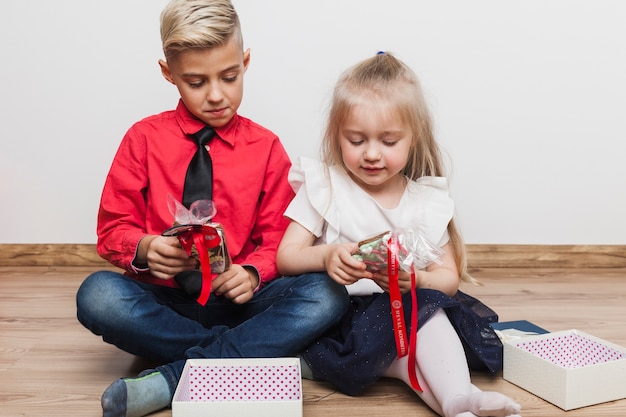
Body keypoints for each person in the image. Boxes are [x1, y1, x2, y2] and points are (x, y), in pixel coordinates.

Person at [75, 1, 348, 416]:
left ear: (246, 61)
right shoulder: (142, 139)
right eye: (196, 82)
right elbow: (112, 230)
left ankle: (175, 377)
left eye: (230, 76)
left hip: (243, 301)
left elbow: (280, 236)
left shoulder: (267, 147)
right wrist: (147, 248)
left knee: (328, 292)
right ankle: (251, 352)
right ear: (169, 74)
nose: (217, 95)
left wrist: (253, 272)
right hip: (166, 300)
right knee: (97, 295)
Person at [277, 52, 522, 417]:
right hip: (343, 320)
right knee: (407, 358)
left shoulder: (425, 202)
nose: (372, 154)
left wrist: (418, 279)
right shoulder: (325, 187)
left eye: (388, 141)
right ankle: (459, 396)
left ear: (413, 138)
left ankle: (457, 402)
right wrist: (326, 256)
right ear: (336, 134)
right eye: (356, 140)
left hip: (406, 313)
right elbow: (286, 258)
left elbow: (448, 279)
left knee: (425, 315)